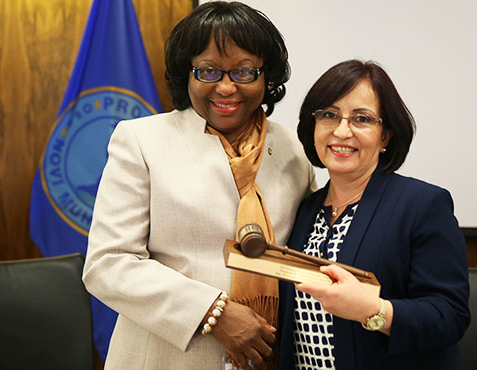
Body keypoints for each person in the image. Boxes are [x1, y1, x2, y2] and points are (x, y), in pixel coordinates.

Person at [82, 2, 315, 370]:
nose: (226, 87)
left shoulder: (294, 151)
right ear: (185, 74)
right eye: (207, 71)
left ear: (265, 76)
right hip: (167, 358)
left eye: (244, 71)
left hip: (270, 357)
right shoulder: (141, 140)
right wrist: (213, 313)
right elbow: (107, 264)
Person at [278, 60, 470, 369]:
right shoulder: (304, 209)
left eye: (362, 119)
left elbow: (450, 316)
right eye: (329, 115)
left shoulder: (422, 204)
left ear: (386, 136)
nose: (342, 131)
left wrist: (372, 310)